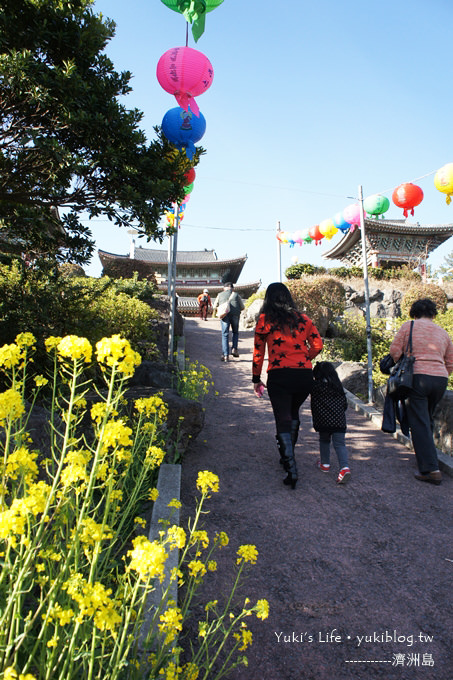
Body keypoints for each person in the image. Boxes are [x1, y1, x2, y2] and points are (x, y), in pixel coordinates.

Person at [252, 282, 323, 489]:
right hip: (303, 375)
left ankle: (291, 468)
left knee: (283, 418)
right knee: (293, 414)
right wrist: (304, 358)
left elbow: (258, 352)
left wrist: (256, 379)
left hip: (279, 374)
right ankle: (287, 457)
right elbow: (318, 345)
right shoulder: (303, 319)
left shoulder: (265, 320)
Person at [389, 297, 453, 485]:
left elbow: (394, 351)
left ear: (414, 313)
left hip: (417, 377)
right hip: (440, 378)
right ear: (433, 314)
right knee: (427, 418)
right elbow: (450, 361)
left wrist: (404, 363)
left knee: (419, 421)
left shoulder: (409, 326)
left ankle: (430, 469)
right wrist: (440, 372)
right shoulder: (443, 332)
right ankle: (430, 457)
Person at [310, 361, 351, 484]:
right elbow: (344, 405)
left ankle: (325, 464)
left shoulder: (316, 386)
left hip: (323, 421)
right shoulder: (338, 386)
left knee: (324, 440)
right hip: (339, 421)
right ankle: (344, 468)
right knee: (340, 444)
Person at [213, 282, 245, 362]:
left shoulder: (220, 294)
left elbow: (214, 306)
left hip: (224, 315)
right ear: (232, 288)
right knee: (235, 332)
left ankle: (225, 355)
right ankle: (234, 348)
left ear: (224, 288)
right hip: (235, 315)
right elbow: (242, 307)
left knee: (225, 334)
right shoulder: (236, 295)